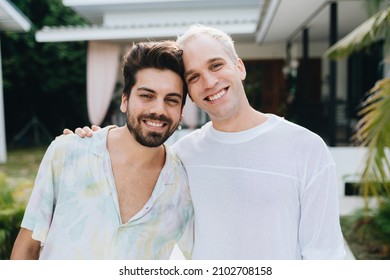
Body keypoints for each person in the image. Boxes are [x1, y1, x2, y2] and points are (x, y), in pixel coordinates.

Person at [67, 24, 346, 260]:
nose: (210, 82)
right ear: (189, 92)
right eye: (194, 77)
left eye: (216, 65)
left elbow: (325, 256)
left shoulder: (306, 148)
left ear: (239, 67)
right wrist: (91, 144)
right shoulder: (181, 155)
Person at [10, 41, 193, 260]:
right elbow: (27, 247)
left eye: (171, 100)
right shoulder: (67, 152)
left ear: (181, 112)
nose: (158, 110)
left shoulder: (186, 184)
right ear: (125, 101)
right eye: (146, 96)